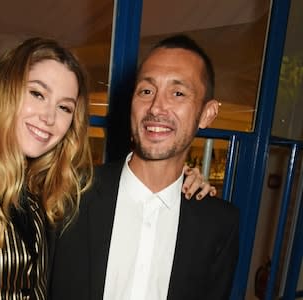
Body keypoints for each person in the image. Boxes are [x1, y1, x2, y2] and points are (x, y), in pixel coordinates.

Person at [0, 37, 215, 298]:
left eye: (64, 107)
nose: (49, 118)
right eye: (37, 93)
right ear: (6, 91)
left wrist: (179, 184)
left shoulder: (44, 188)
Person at [49, 35, 239, 300]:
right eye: (146, 91)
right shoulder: (70, 193)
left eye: (178, 93)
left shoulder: (219, 223)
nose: (157, 107)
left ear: (207, 113)